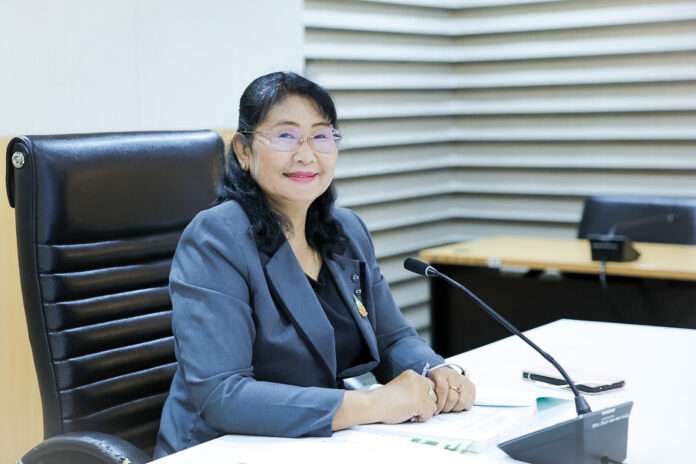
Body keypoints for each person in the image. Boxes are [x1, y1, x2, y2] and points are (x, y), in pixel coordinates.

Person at [153, 72, 475, 458]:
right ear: (243, 150)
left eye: (321, 136)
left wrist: (435, 372)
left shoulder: (347, 231)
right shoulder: (216, 238)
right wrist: (374, 404)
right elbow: (222, 395)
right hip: (222, 450)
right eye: (286, 135)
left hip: (314, 445)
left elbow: (392, 339)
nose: (306, 154)